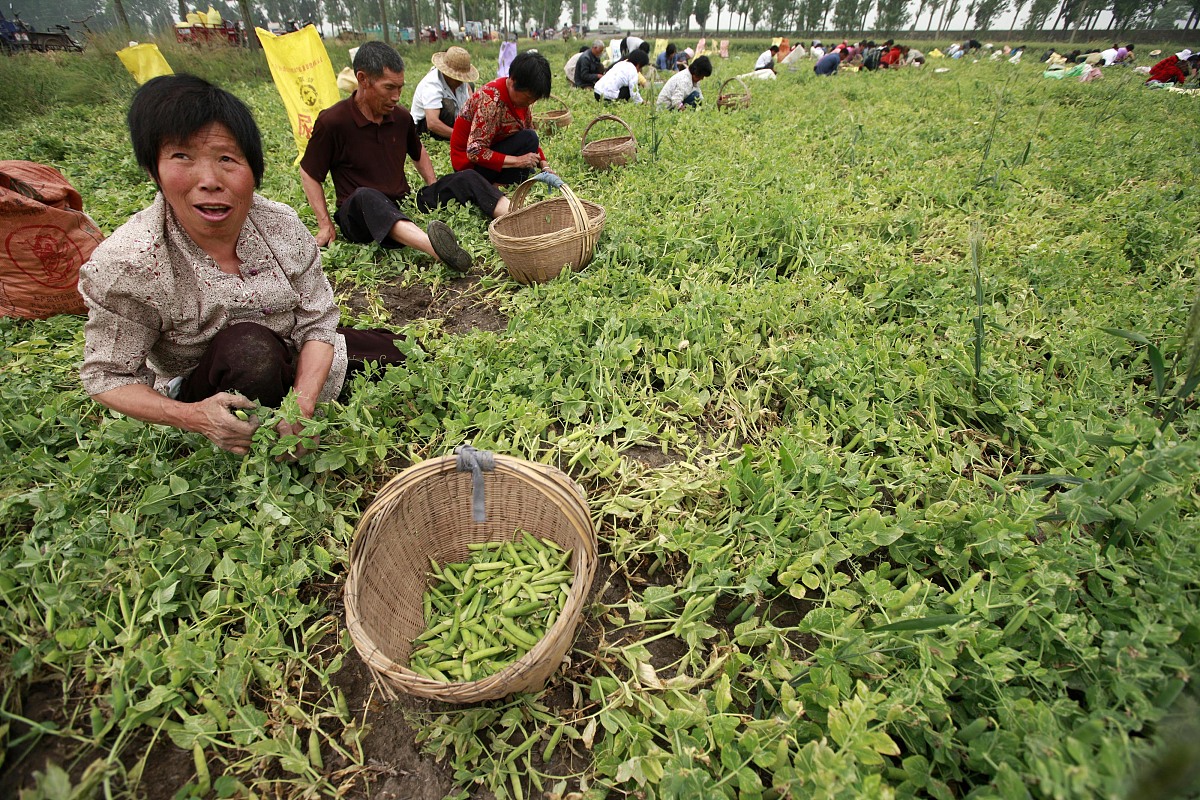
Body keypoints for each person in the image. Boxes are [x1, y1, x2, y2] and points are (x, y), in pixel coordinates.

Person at [78, 75, 407, 457]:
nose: (209, 181)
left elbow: (317, 324)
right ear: (154, 171)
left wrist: (301, 405)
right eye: (182, 157)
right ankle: (245, 427)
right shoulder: (130, 262)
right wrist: (193, 416)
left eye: (227, 159)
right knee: (250, 350)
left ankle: (294, 395)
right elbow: (106, 376)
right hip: (210, 382)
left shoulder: (281, 226)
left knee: (399, 353)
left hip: (289, 351)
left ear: (254, 172)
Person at [301, 43, 501, 272]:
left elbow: (418, 152)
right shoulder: (333, 121)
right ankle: (438, 249)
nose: (396, 97)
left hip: (400, 204)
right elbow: (309, 173)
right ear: (363, 79)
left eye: (400, 88)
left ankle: (514, 215)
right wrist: (325, 224)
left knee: (466, 177)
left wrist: (433, 186)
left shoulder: (401, 117)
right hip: (359, 215)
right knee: (365, 195)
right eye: (389, 88)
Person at [451, 50, 552, 186]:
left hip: (493, 154)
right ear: (513, 81)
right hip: (469, 168)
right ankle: (495, 187)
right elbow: (474, 152)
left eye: (534, 99)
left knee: (529, 139)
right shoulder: (491, 101)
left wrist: (545, 166)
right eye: (528, 97)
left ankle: (503, 183)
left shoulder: (520, 101)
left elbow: (528, 132)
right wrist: (518, 161)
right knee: (528, 143)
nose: (530, 102)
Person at [411, 46, 478, 140]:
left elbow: (469, 110)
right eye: (457, 78)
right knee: (448, 105)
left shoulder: (461, 83)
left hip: (451, 123)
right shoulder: (432, 84)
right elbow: (432, 123)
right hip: (423, 127)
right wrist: (462, 136)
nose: (460, 82)